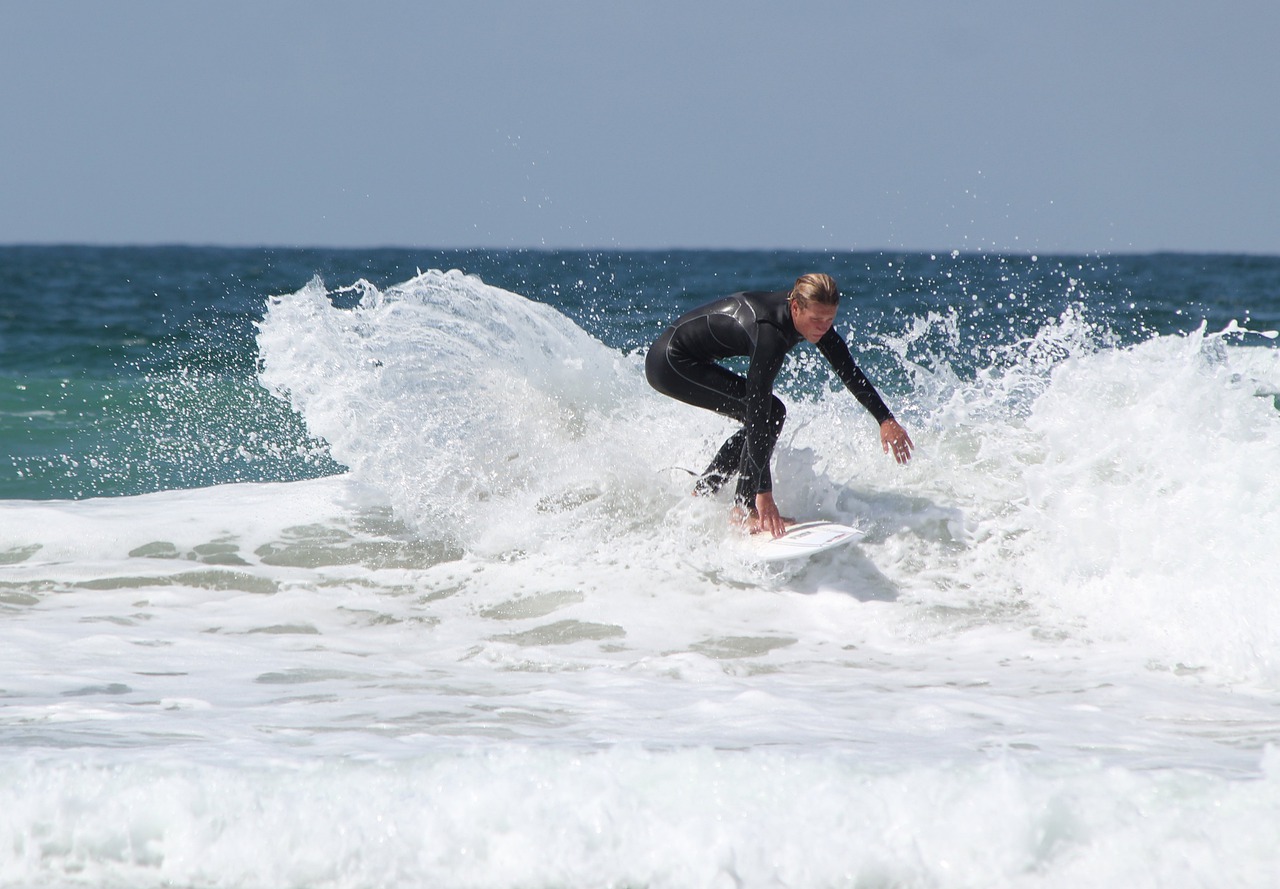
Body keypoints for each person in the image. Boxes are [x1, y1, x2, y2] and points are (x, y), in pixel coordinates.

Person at [645, 272, 913, 538]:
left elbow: (849, 372)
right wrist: (764, 492)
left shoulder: (812, 323)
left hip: (690, 359)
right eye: (817, 319)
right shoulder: (769, 333)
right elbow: (758, 410)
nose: (823, 326)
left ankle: (703, 491)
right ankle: (743, 509)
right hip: (670, 364)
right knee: (769, 413)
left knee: (767, 415)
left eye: (830, 319)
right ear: (796, 307)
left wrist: (885, 419)